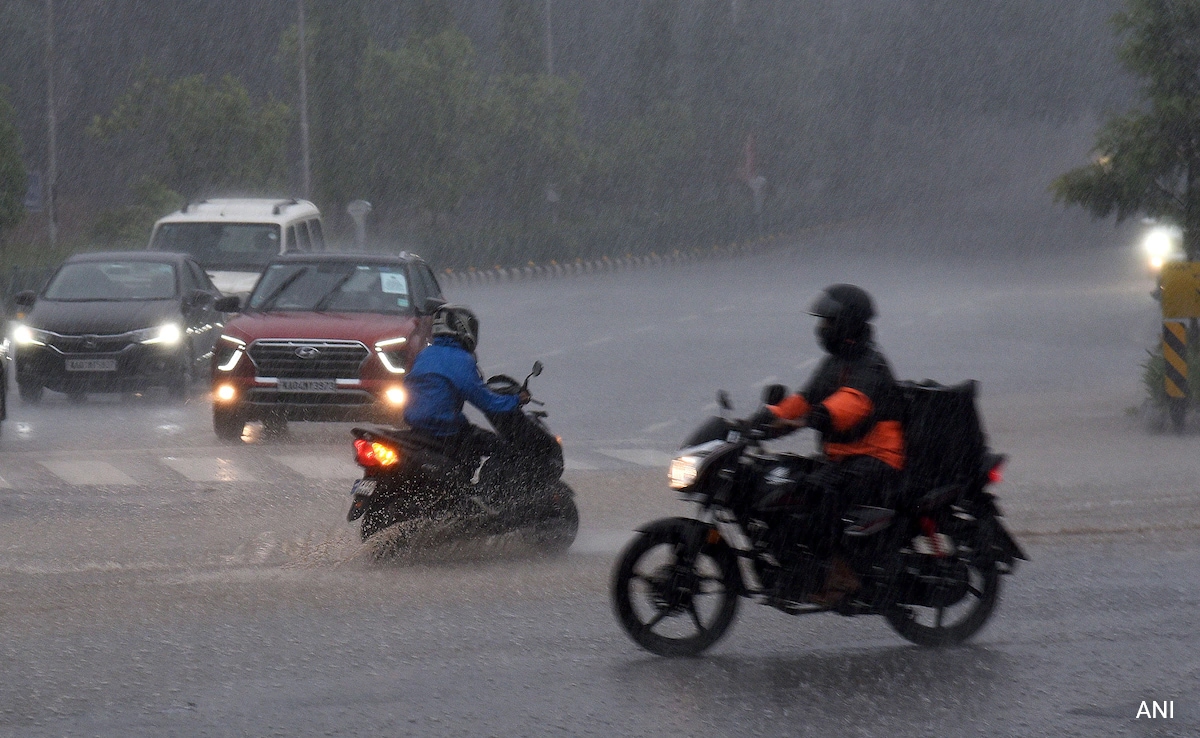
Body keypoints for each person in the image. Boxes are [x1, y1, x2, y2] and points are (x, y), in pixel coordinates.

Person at [762, 284, 906, 606]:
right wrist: (762, 422)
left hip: (878, 457)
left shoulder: (871, 365)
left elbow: (849, 405)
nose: (821, 328)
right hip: (844, 457)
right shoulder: (836, 363)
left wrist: (816, 417)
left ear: (847, 323)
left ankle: (842, 574)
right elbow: (804, 399)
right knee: (787, 481)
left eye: (827, 321)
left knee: (820, 493)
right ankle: (800, 565)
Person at [402, 305, 528, 478]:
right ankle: (489, 497)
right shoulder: (459, 359)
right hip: (446, 432)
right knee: (505, 450)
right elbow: (486, 401)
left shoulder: (426, 355)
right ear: (463, 328)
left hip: (418, 428)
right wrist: (516, 399)